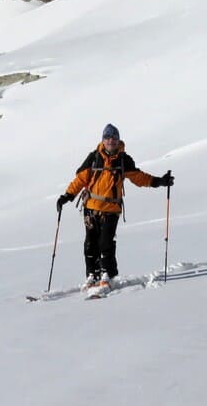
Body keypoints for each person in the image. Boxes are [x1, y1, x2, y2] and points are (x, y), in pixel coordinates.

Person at [56, 123, 173, 290]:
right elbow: (81, 179)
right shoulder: (94, 157)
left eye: (114, 138)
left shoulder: (123, 160)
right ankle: (92, 274)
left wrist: (160, 181)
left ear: (118, 140)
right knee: (90, 243)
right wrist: (66, 196)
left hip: (111, 209)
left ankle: (108, 274)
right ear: (103, 140)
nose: (111, 141)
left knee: (105, 242)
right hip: (90, 207)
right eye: (107, 138)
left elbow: (139, 178)